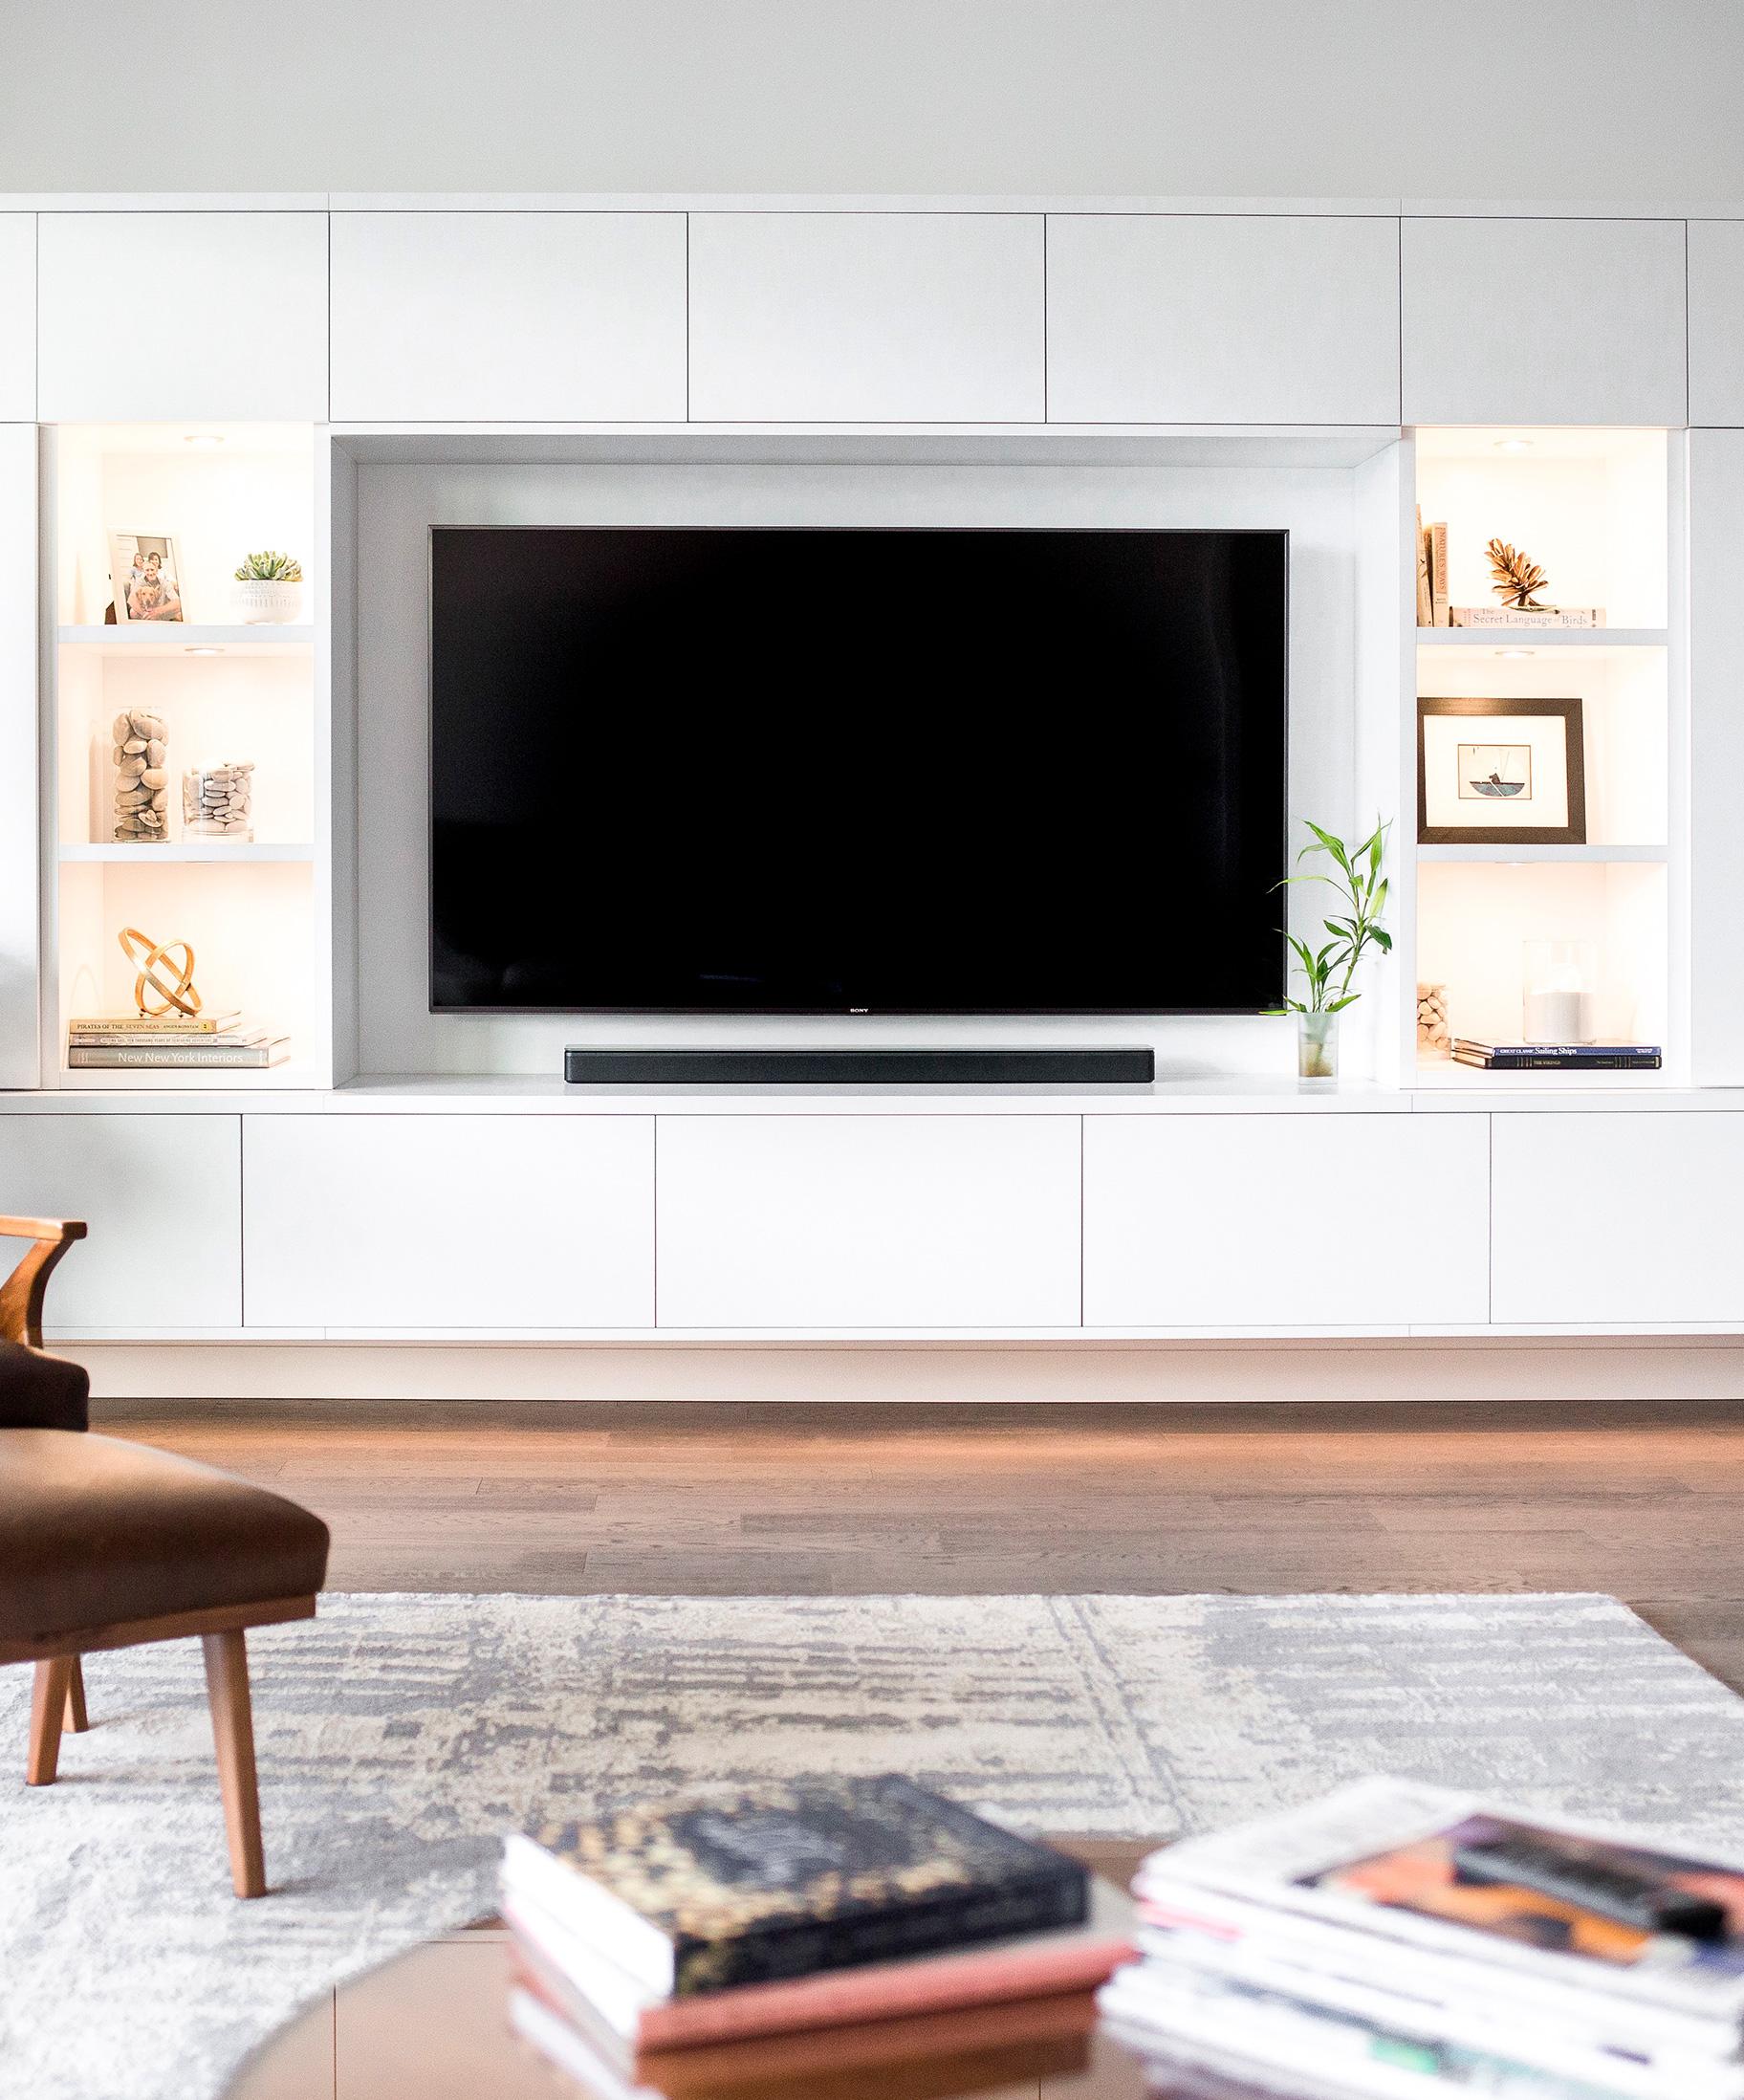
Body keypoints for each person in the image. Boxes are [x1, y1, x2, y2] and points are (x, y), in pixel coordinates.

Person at [129, 547, 182, 622]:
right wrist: (147, 615)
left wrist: (158, 611)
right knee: (133, 612)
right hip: (146, 610)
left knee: (179, 614)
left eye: (152, 570)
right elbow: (131, 600)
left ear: (157, 570)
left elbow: (177, 602)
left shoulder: (164, 582)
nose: (150, 573)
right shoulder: (140, 581)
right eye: (147, 570)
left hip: (163, 609)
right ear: (144, 571)